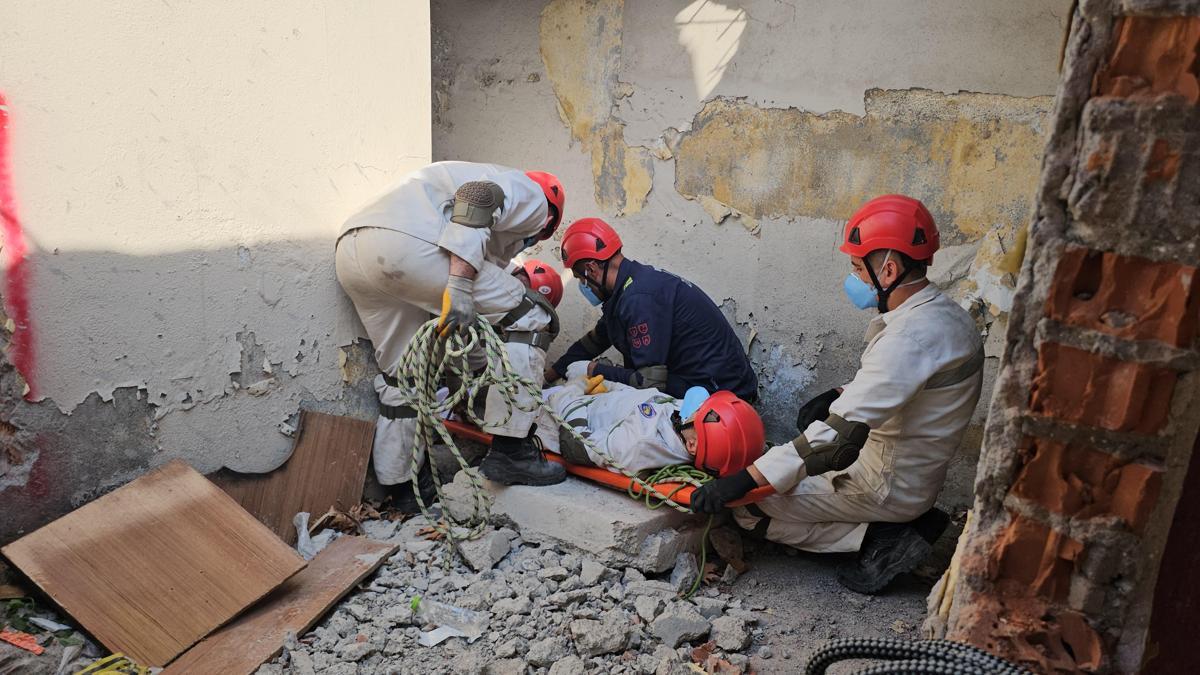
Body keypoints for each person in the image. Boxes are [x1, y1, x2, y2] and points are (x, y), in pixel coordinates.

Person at [689, 194, 984, 594]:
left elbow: (831, 447)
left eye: (857, 269)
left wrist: (741, 481)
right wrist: (841, 393)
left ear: (890, 269)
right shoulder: (947, 316)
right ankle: (893, 525)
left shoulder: (909, 337)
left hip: (881, 484)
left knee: (748, 510)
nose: (854, 280)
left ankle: (879, 538)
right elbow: (907, 384)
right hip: (913, 473)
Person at [334, 161, 569, 511]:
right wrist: (459, 283)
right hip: (413, 243)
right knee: (534, 318)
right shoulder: (534, 198)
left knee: (404, 374)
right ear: (549, 221)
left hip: (354, 250)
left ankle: (403, 490)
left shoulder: (446, 191)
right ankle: (511, 451)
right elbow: (478, 196)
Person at [546, 218, 758, 401]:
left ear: (591, 269)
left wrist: (592, 370)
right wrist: (549, 375)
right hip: (702, 383)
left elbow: (648, 382)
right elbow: (596, 340)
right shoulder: (628, 286)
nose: (583, 287)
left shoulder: (639, 298)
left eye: (580, 279)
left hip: (721, 395)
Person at [535, 362, 764, 478]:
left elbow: (576, 446)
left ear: (693, 445)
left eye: (702, 410)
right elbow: (649, 399)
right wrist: (611, 386)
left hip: (551, 411)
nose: (700, 404)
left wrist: (571, 392)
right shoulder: (687, 425)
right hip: (596, 398)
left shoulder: (640, 444)